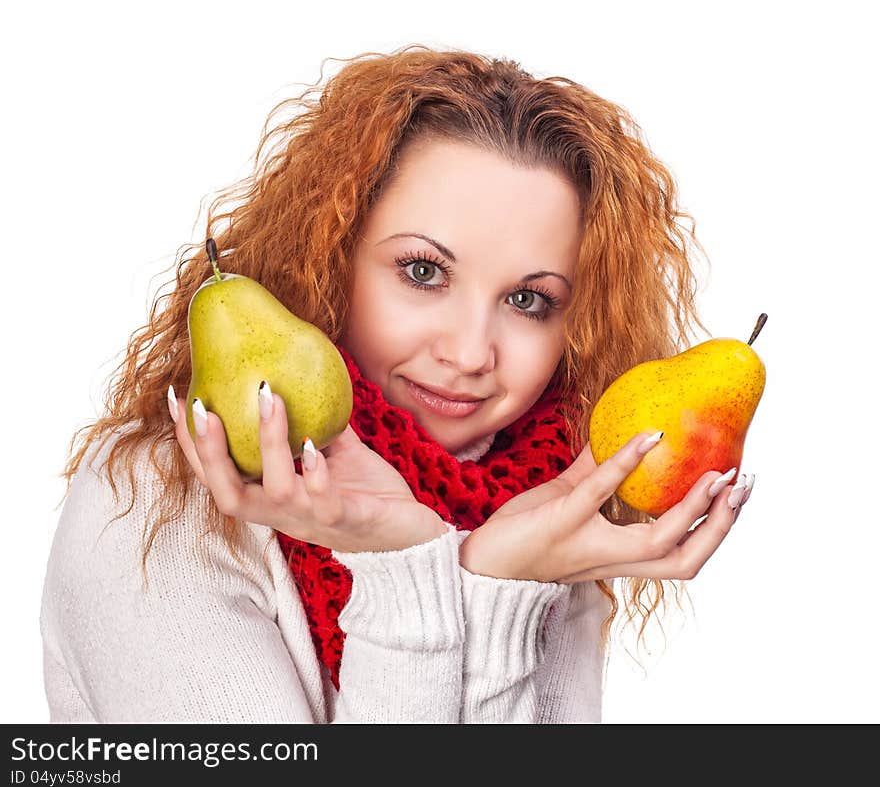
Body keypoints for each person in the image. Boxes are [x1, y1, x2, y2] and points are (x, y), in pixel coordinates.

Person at [40, 44, 754, 724]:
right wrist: (406, 568)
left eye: (529, 300)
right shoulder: (156, 498)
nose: (472, 352)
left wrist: (500, 580)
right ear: (328, 256)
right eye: (423, 272)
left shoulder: (553, 514)